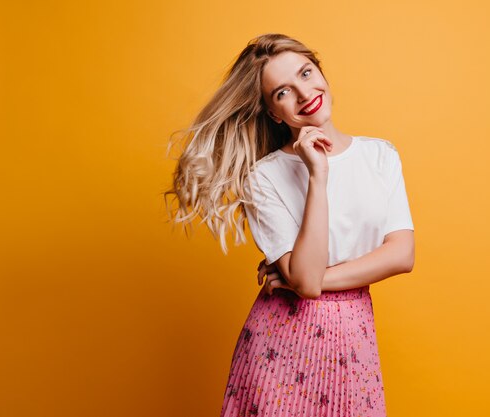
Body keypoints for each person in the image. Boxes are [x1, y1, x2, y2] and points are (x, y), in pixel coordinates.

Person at [164, 33, 415, 417]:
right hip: (281, 346)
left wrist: (302, 279)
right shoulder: (262, 177)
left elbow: (401, 254)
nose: (303, 93)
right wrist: (318, 175)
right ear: (273, 113)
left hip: (355, 340)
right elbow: (309, 284)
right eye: (282, 92)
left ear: (321, 72)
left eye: (306, 72)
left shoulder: (380, 156)